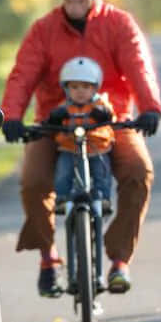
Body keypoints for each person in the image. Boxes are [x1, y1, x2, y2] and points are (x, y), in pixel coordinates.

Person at [0, 0, 161, 297]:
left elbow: (138, 66)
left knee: (138, 172)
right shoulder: (43, 29)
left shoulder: (119, 24)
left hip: (112, 121)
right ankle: (48, 257)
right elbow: (22, 74)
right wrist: (11, 116)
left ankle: (119, 260)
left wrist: (149, 107)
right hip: (53, 121)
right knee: (33, 182)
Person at [48, 57, 116, 214]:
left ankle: (103, 198)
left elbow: (110, 114)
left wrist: (104, 114)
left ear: (94, 88)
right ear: (66, 89)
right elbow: (52, 120)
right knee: (63, 171)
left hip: (97, 147)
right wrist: (54, 117)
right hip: (70, 147)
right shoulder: (65, 107)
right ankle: (62, 199)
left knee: (102, 172)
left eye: (86, 86)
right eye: (74, 87)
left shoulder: (99, 104)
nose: (80, 91)